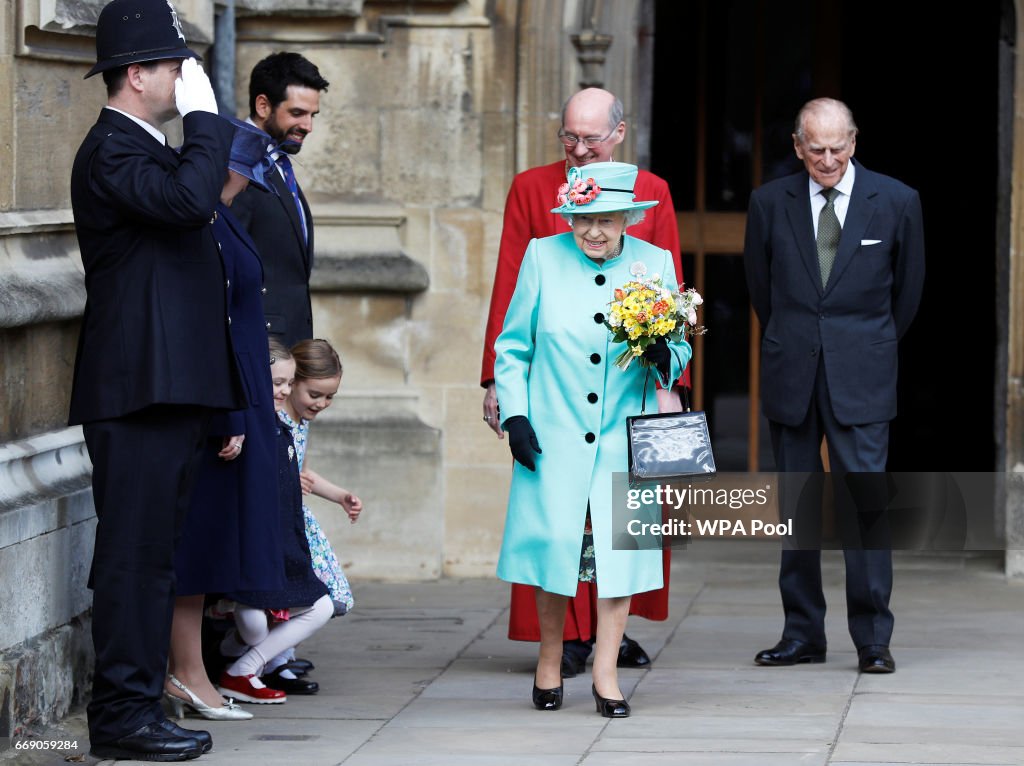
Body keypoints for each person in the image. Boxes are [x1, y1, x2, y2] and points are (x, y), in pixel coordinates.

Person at [69, 0, 241, 759]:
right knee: (133, 561)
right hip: (136, 391)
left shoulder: (145, 147)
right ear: (137, 75)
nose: (185, 78)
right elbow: (189, 200)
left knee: (152, 560)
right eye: (175, 65)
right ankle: (119, 720)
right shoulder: (113, 151)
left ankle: (138, 708)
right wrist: (205, 124)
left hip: (168, 389)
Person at [480, 87, 683, 676]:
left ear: (619, 134)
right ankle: (560, 641)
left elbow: (669, 294)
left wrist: (671, 375)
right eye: (569, 136)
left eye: (590, 139)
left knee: (622, 526)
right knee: (555, 521)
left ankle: (608, 645)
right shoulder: (529, 188)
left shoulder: (654, 194)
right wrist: (498, 384)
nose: (578, 148)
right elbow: (510, 291)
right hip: (556, 395)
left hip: (625, 395)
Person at [742, 98, 925, 674]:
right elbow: (760, 290)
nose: (826, 159)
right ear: (797, 146)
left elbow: (909, 293)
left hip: (863, 373)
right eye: (815, 149)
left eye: (837, 148)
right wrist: (797, 339)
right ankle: (802, 634)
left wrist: (863, 344)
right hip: (792, 369)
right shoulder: (769, 202)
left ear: (854, 142)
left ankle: (873, 638)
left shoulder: (897, 201)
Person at [166, 119, 290, 723]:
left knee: (210, 549)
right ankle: (186, 674)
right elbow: (208, 326)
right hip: (224, 408)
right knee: (199, 548)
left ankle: (192, 673)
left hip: (240, 400)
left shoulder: (221, 218)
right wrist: (231, 412)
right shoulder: (203, 221)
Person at [219, 338, 363, 697]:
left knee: (315, 597)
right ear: (292, 381)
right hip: (270, 525)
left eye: (330, 397)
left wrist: (340, 496)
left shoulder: (299, 424)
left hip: (294, 524)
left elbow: (305, 474)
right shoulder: (272, 419)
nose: (322, 403)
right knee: (281, 607)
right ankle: (258, 658)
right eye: (315, 394)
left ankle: (272, 660)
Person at [231, 52, 330, 347]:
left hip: (289, 346)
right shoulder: (236, 165)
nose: (308, 126)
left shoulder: (279, 163)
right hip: (259, 344)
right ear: (263, 105)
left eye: (313, 115)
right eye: (298, 113)